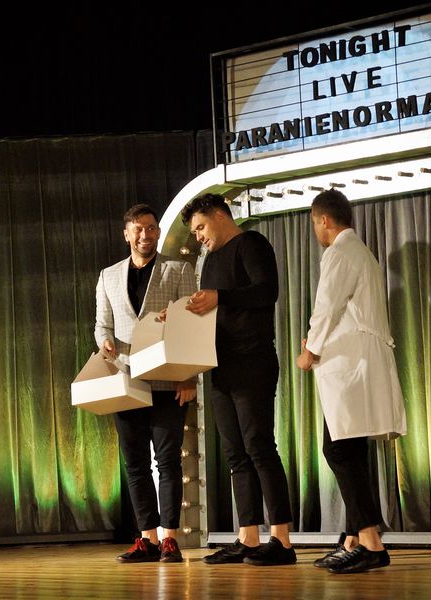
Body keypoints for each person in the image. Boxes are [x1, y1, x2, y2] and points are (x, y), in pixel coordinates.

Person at [180, 193, 296, 566]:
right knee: (235, 453)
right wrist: (181, 315)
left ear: (219, 215)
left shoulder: (251, 244)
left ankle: (282, 539)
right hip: (221, 365)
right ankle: (248, 537)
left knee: (259, 446)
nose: (199, 236)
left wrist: (220, 297)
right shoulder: (210, 260)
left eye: (200, 227)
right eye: (195, 232)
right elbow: (212, 306)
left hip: (253, 360)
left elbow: (266, 291)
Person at [295, 189, 407, 574]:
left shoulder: (339, 252)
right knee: (351, 449)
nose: (315, 231)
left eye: (314, 223)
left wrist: (310, 350)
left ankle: (371, 542)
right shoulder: (362, 252)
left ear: (324, 220)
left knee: (339, 450)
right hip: (359, 360)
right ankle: (353, 540)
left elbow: (327, 305)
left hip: (349, 363)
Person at [94, 203, 197, 563]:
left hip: (169, 379)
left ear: (158, 231)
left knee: (167, 461)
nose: (145, 234)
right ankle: (147, 538)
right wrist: (104, 341)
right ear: (127, 234)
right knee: (135, 464)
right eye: (138, 229)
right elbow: (102, 324)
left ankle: (170, 538)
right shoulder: (108, 275)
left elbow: (190, 325)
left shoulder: (178, 268)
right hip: (126, 381)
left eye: (151, 228)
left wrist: (189, 375)